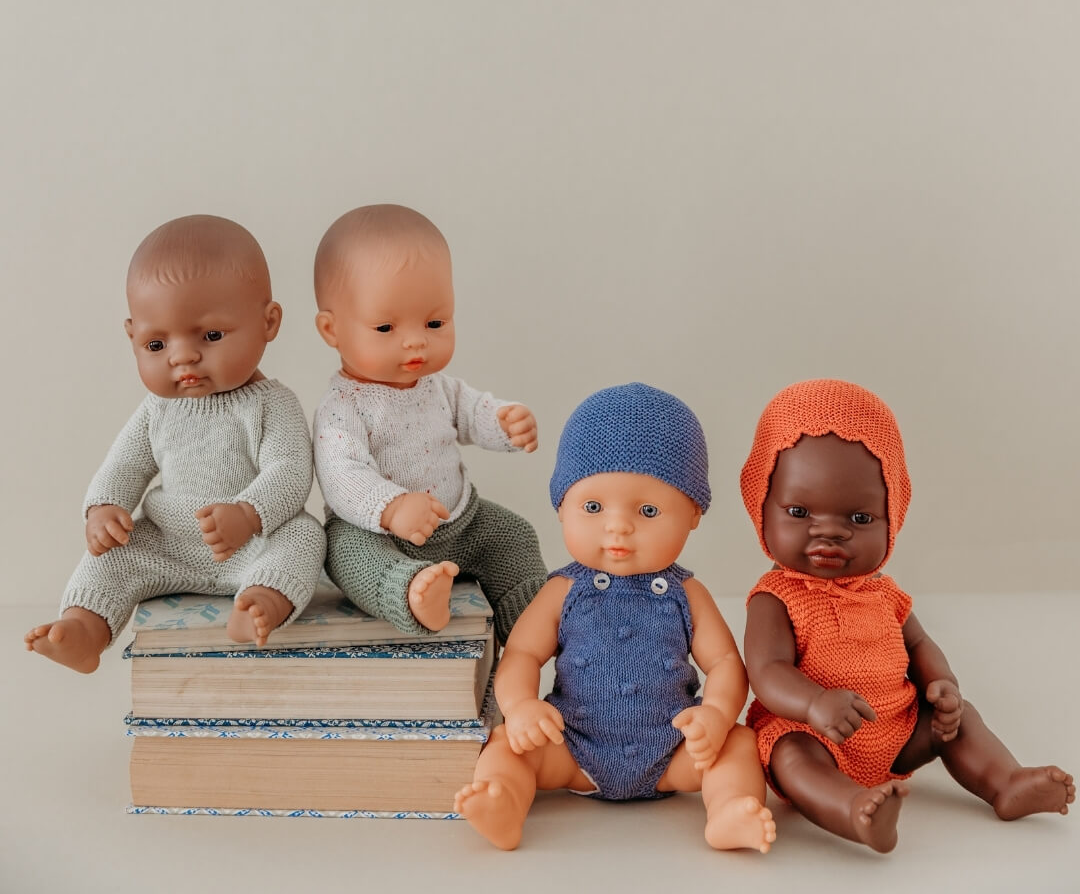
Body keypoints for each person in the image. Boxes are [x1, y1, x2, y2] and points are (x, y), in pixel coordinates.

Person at [741, 378, 1074, 852]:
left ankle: (1005, 782)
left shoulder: (886, 594)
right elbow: (766, 670)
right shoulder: (775, 596)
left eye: (859, 519)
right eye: (799, 511)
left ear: (891, 517)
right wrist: (815, 704)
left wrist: (943, 684)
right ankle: (852, 810)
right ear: (762, 507)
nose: (829, 533)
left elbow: (917, 644)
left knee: (960, 723)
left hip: (897, 730)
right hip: (813, 732)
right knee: (790, 757)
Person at [456, 383, 776, 853]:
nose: (617, 526)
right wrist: (522, 706)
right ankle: (504, 801)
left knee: (740, 745)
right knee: (508, 744)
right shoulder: (562, 590)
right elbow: (522, 652)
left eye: (648, 510)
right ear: (561, 506)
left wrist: (715, 714)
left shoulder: (687, 593)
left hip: (673, 753)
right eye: (592, 507)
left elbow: (726, 663)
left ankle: (729, 809)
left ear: (693, 514)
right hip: (572, 747)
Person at [25, 215, 326, 672]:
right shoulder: (156, 409)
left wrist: (247, 514)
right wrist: (103, 509)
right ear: (132, 338)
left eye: (210, 335)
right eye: (156, 344)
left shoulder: (271, 404)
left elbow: (289, 471)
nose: (182, 356)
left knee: (304, 538)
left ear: (268, 322)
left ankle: (262, 601)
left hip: (253, 544)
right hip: (167, 541)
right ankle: (84, 629)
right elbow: (123, 465)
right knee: (112, 557)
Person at [312, 204, 546, 643]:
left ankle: (532, 622)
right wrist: (393, 508)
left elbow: (470, 412)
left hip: (462, 521)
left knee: (514, 536)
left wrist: (503, 422)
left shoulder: (438, 386)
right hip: (378, 533)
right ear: (332, 330)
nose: (416, 339)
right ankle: (410, 592)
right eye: (385, 327)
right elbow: (341, 475)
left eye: (435, 322)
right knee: (348, 557)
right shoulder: (342, 408)